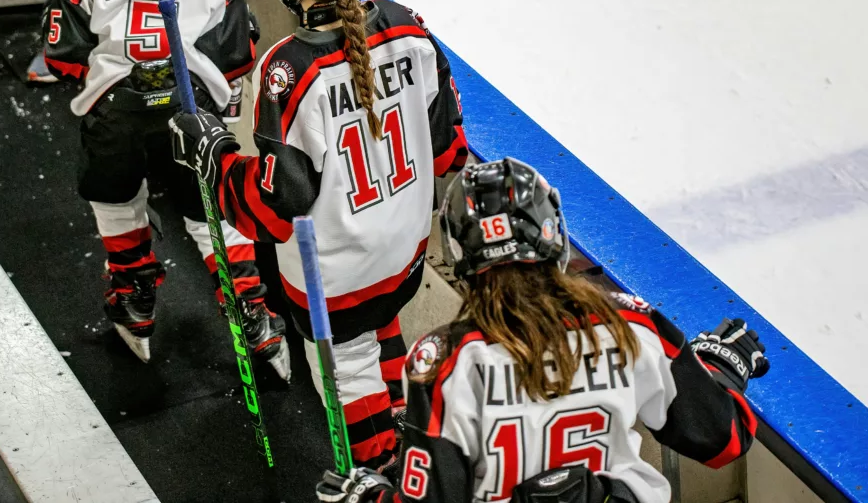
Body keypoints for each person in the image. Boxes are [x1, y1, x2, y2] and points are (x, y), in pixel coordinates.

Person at [169, 0, 469, 468]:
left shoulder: (287, 68)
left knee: (349, 369)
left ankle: (379, 474)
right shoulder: (410, 28)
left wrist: (214, 154)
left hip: (335, 278)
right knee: (380, 326)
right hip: (404, 256)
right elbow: (448, 150)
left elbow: (274, 208)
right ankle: (408, 433)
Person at [314, 157, 770, 503]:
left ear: (460, 254)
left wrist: (370, 495)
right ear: (554, 234)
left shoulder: (446, 362)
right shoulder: (632, 323)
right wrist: (719, 368)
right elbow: (722, 439)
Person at [41, 0, 287, 372]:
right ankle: (252, 312)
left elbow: (60, 59)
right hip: (191, 114)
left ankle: (136, 301)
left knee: (117, 205)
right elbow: (240, 44)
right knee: (211, 216)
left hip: (116, 119)